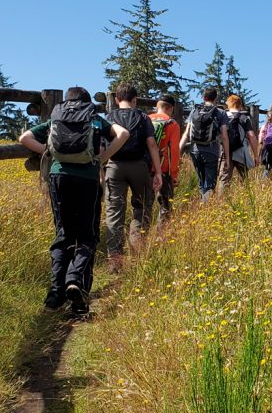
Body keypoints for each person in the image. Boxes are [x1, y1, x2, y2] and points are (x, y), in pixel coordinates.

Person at [19, 87, 129, 315]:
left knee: (63, 234)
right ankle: (75, 281)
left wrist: (49, 153)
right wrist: (101, 158)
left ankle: (54, 296)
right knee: (87, 235)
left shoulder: (56, 118)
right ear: (87, 102)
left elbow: (24, 138)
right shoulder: (95, 119)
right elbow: (123, 134)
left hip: (58, 177)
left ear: (67, 102)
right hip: (88, 178)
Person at [104, 83, 162, 273]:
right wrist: (158, 172)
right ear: (135, 100)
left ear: (116, 100)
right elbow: (152, 144)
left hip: (114, 167)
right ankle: (137, 254)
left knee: (114, 213)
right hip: (139, 167)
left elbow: (102, 145)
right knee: (142, 207)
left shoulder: (109, 117)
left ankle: (115, 261)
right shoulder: (143, 117)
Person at [179, 87, 230, 202]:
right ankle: (206, 208)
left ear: (203, 97)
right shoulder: (220, 113)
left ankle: (202, 204)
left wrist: (178, 152)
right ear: (216, 98)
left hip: (195, 150)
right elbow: (225, 137)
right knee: (210, 184)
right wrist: (227, 157)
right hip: (211, 151)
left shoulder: (195, 110)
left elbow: (186, 134)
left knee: (201, 181)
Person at [149, 95, 181, 220]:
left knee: (145, 204)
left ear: (157, 106)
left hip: (145, 166)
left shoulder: (146, 119)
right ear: (171, 108)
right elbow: (174, 151)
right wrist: (174, 174)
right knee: (165, 205)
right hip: (164, 169)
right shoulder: (172, 124)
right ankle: (161, 235)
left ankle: (142, 235)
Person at [219, 94, 259, 187]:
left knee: (224, 179)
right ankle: (244, 198)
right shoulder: (244, 118)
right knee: (243, 178)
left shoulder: (222, 117)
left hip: (225, 151)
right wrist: (256, 155)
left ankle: (221, 200)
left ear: (228, 105)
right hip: (240, 152)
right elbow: (251, 136)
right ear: (240, 105)